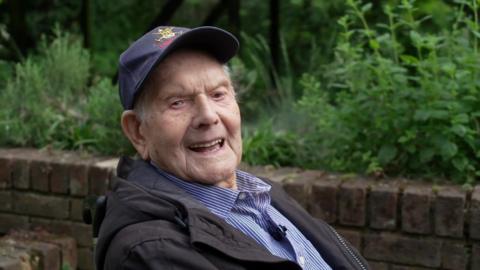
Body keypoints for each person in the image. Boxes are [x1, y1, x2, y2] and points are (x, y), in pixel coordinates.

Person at [95, 25, 369, 270]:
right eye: (177, 102)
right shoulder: (149, 250)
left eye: (218, 94)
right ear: (137, 131)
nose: (208, 116)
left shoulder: (264, 194)